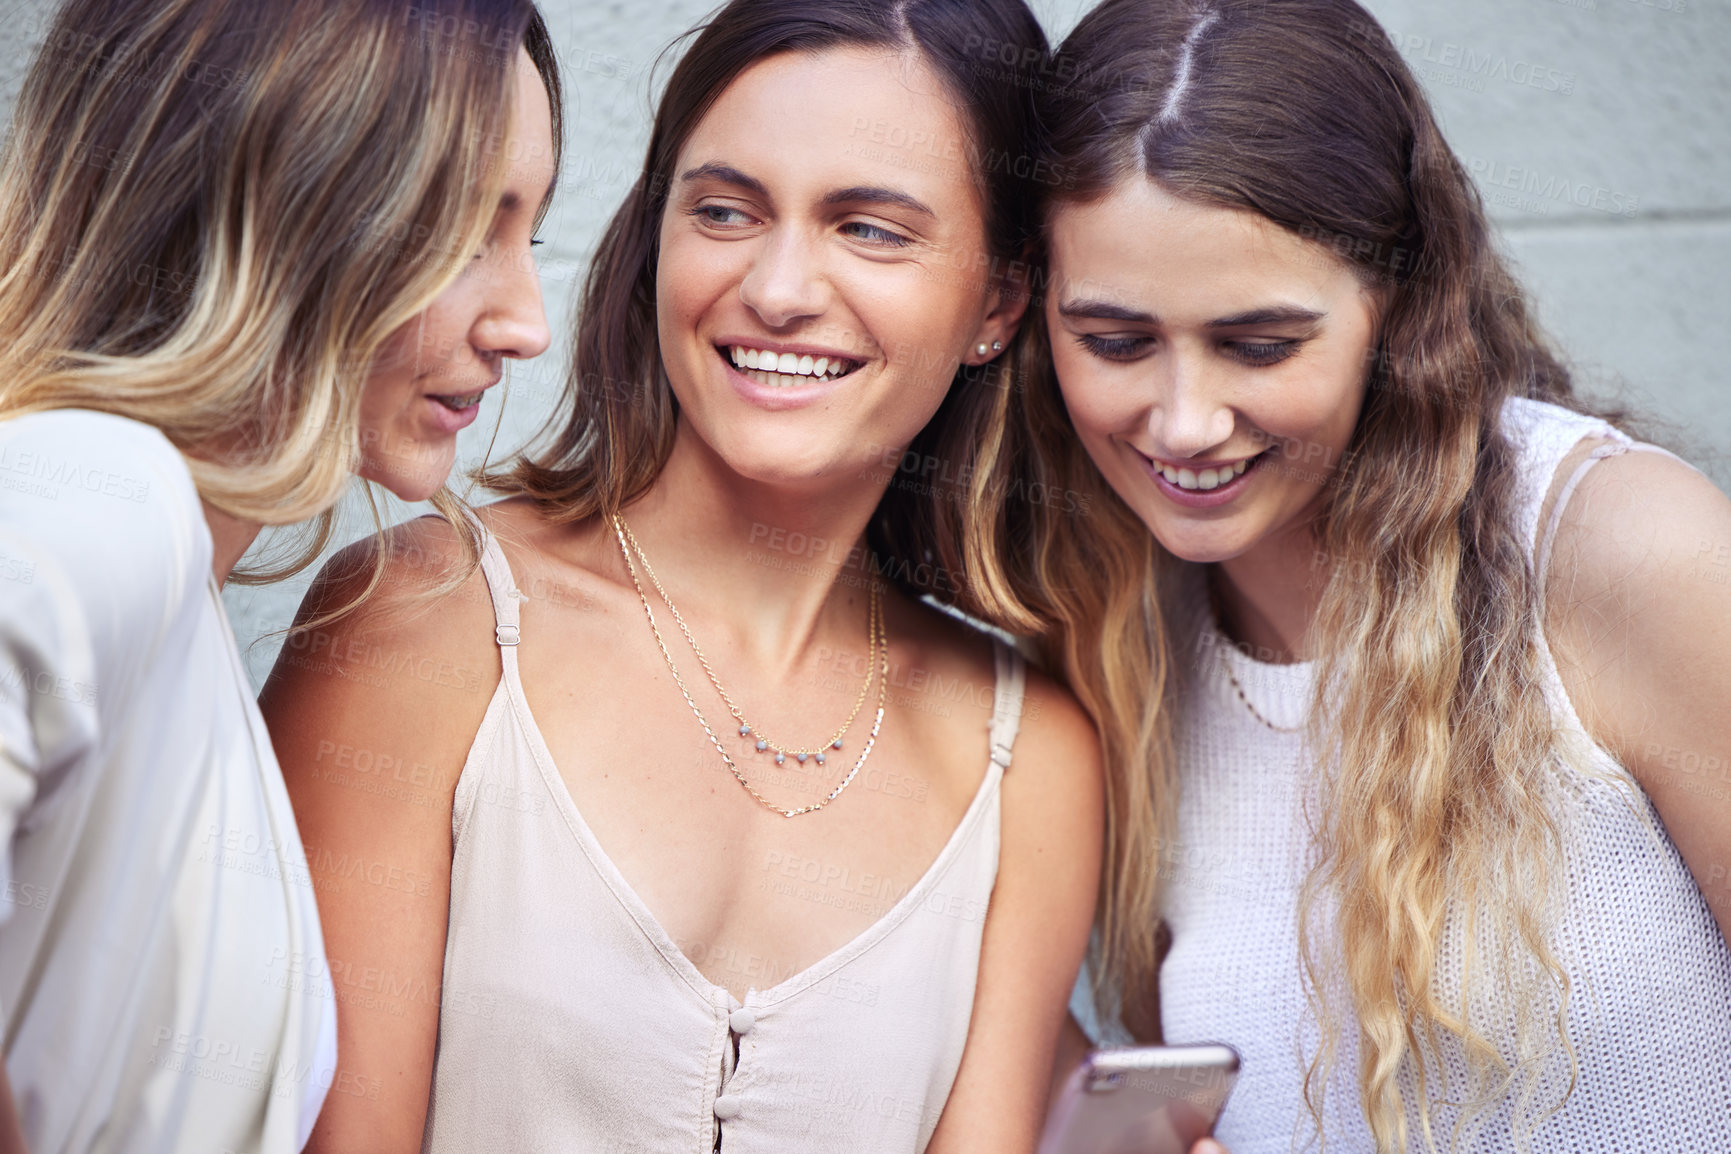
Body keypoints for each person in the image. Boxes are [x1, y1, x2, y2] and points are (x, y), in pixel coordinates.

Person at [260, 0, 1103, 1151]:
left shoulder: (1031, 760)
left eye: (870, 229)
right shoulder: (424, 617)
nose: (778, 287)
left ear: (998, 304)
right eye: (724, 210)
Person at [929, 0, 1731, 1148]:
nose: (1185, 420)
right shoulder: (1122, 643)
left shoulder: (1623, 548)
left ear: (1396, 308)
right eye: (1113, 340)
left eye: (1260, 343)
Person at [0, 1, 559, 1150]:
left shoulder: (179, 601)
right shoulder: (108, 490)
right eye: (465, 232)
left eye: (531, 238)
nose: (525, 322)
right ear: (277, 206)